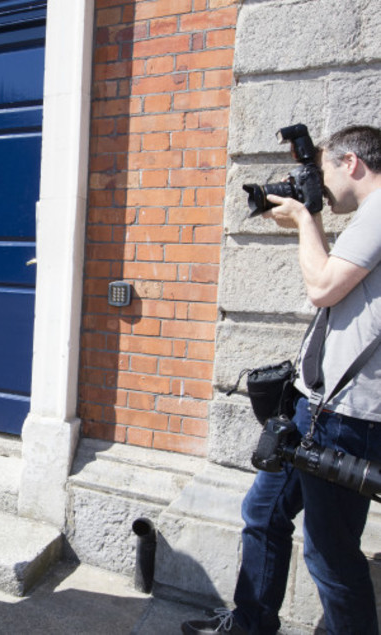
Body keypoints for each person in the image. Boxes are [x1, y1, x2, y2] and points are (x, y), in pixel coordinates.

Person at [182, 125, 381, 635]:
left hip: (348, 416)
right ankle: (250, 624)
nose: (319, 183)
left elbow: (322, 287)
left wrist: (302, 217)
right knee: (264, 511)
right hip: (316, 408)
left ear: (352, 163)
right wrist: (303, 217)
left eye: (323, 170)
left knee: (329, 553)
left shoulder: (378, 210)